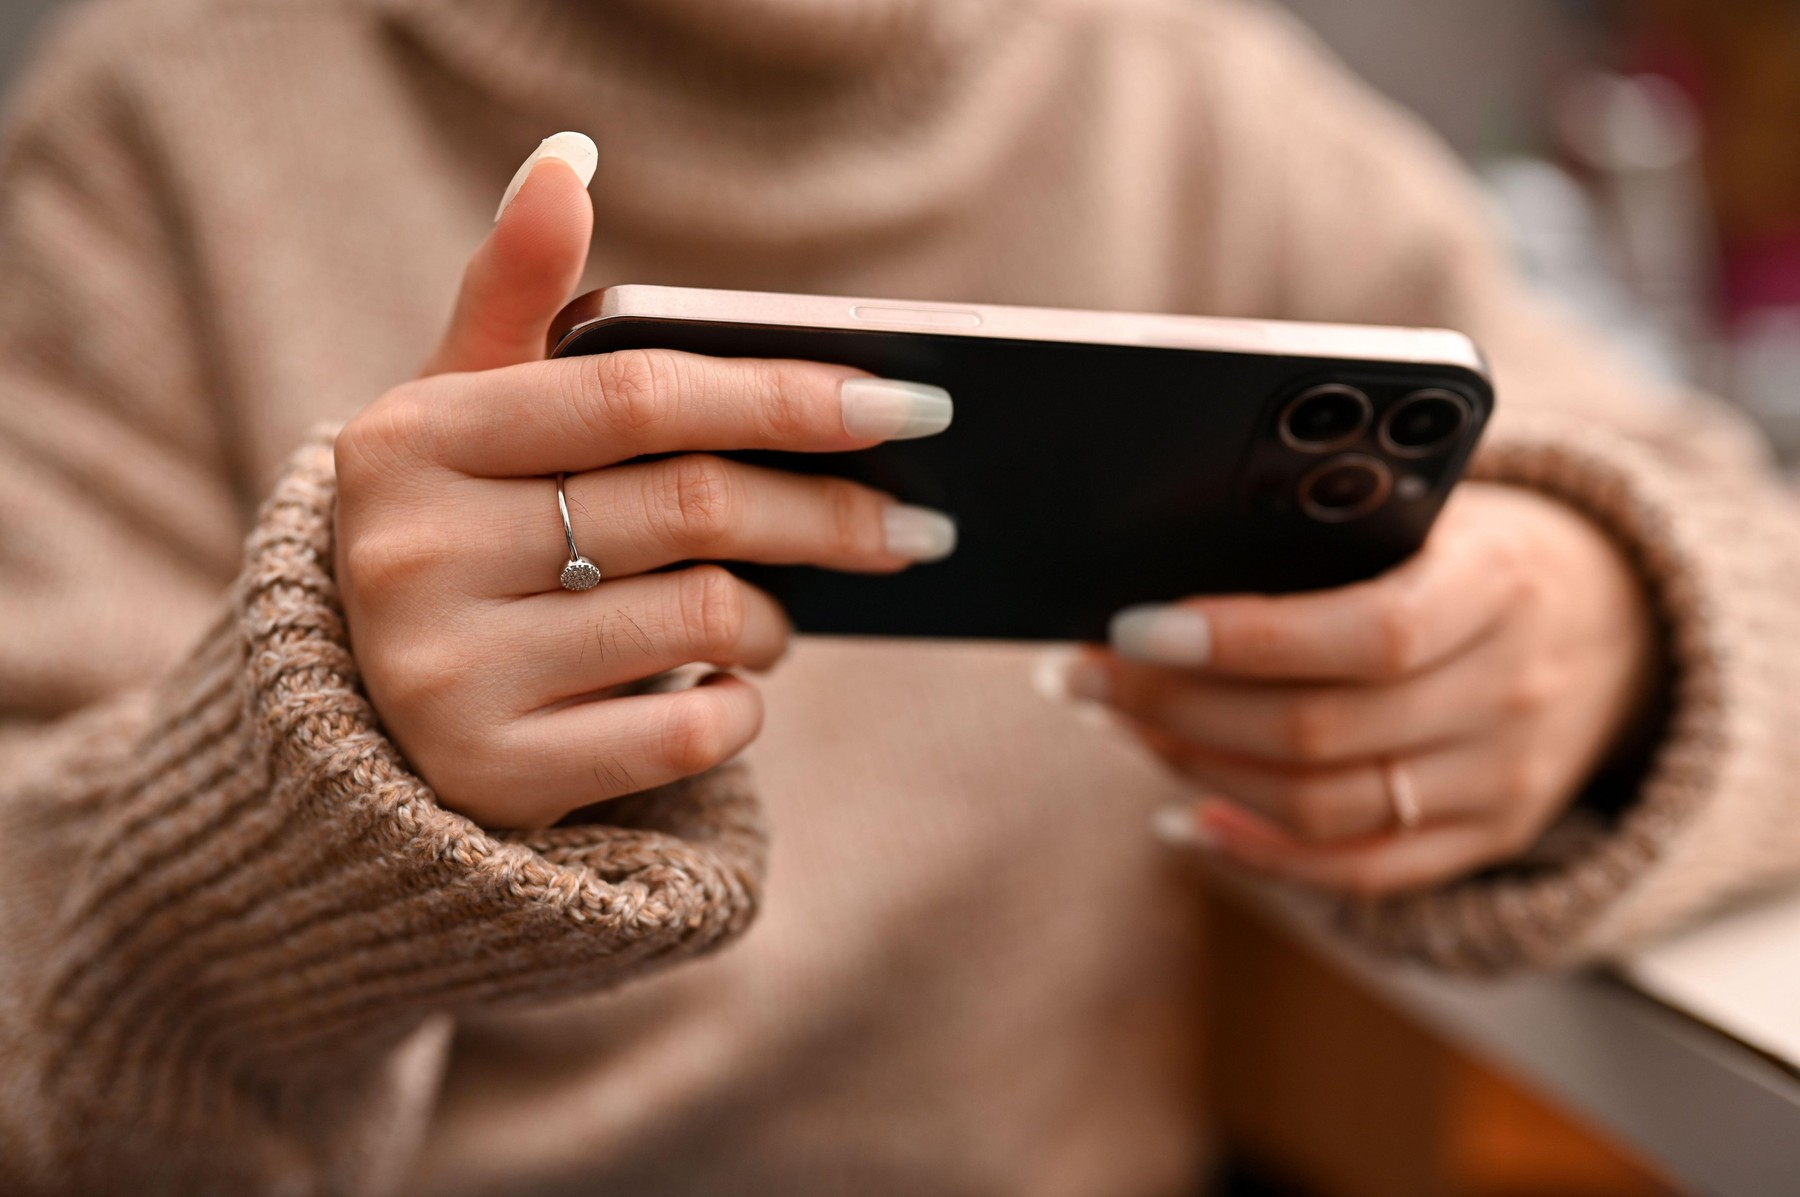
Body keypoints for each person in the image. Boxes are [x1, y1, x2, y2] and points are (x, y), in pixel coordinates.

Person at [1, 0, 1796, 1191]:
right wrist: (300, 786)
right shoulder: (151, 139)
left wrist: (1610, 625)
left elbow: (1754, 554)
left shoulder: (1175, 89)